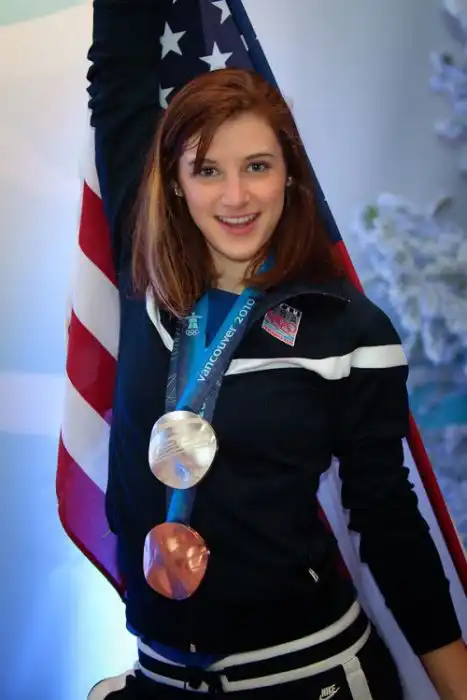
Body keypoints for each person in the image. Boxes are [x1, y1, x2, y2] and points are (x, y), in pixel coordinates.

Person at [85, 1, 467, 698]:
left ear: (289, 174)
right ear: (174, 180)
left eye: (257, 166)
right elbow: (116, 76)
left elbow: (387, 521)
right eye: (207, 171)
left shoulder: (347, 327)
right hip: (161, 678)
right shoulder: (143, 273)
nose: (235, 196)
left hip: (312, 675)